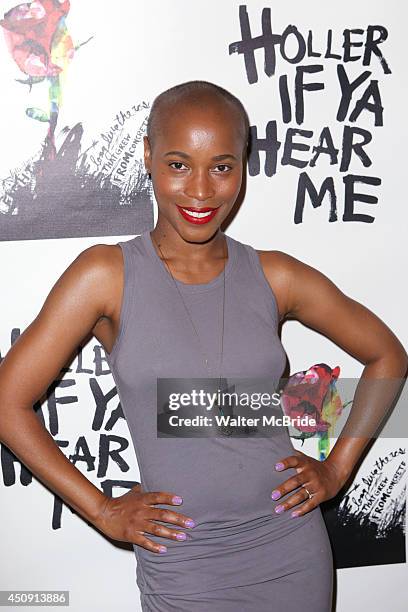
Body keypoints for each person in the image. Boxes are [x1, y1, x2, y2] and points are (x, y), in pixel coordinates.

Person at [0, 80, 406, 612]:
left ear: (243, 166)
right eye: (177, 164)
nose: (200, 190)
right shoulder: (106, 275)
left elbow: (387, 355)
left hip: (291, 551)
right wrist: (102, 511)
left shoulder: (274, 275)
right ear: (147, 156)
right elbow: (8, 403)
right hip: (185, 563)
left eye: (221, 166)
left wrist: (337, 468)